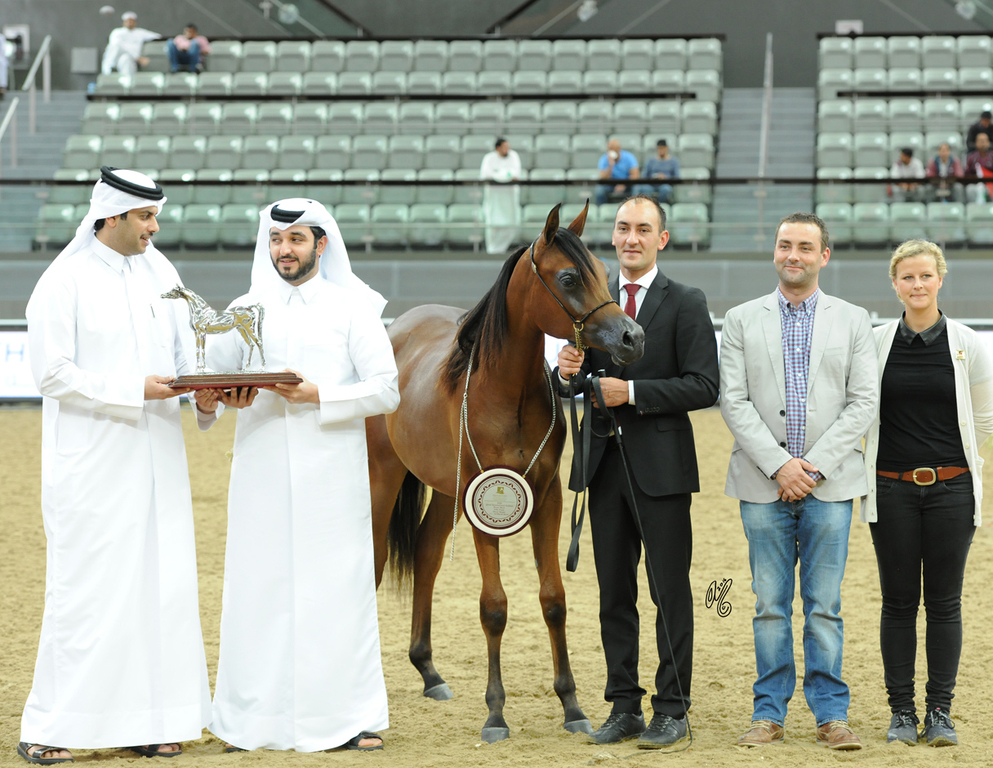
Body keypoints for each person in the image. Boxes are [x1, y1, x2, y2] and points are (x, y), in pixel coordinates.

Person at [19, 168, 212, 764]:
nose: (155, 228)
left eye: (156, 217)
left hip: (159, 458)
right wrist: (134, 389)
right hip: (93, 464)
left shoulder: (162, 273)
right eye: (146, 218)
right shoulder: (64, 281)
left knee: (159, 588)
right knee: (90, 591)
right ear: (111, 216)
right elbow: (49, 372)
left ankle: (150, 722)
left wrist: (203, 393)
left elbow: (185, 356)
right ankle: (49, 726)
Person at [199, 198, 400, 753]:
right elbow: (207, 390)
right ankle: (247, 720)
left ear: (321, 244)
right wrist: (220, 400)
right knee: (256, 589)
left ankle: (349, 718)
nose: (285, 250)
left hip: (332, 474)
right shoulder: (243, 308)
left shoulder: (354, 308)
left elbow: (387, 388)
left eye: (296, 240)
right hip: (259, 472)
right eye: (276, 240)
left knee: (336, 592)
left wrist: (319, 394)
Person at [556, 194, 719, 749]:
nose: (631, 238)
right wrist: (566, 374)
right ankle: (623, 706)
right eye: (623, 228)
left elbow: (704, 385)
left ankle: (673, 708)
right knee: (613, 594)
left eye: (643, 229)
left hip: (662, 468)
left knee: (668, 590)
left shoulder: (686, 301)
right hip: (602, 465)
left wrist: (635, 393)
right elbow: (581, 388)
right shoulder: (592, 303)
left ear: (661, 239)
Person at [719, 212, 877, 751]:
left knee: (824, 605)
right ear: (775, 252)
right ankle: (768, 715)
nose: (794, 255)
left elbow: (863, 403)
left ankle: (832, 716)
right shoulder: (741, 318)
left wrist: (810, 467)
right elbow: (732, 401)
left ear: (823, 256)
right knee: (768, 604)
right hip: (762, 485)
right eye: (785, 245)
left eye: (805, 247)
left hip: (829, 486)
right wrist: (779, 465)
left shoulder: (855, 320)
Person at [861, 240, 993, 747]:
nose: (917, 285)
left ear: (940, 280)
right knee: (897, 603)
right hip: (890, 491)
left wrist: (946, 468)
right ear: (895, 284)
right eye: (907, 278)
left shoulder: (967, 342)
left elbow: (983, 419)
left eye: (925, 276)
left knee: (943, 603)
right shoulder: (874, 342)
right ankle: (901, 713)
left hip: (951, 491)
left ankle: (940, 711)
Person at [479, 137, 522, 254]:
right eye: (504, 147)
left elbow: (516, 174)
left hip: (509, 197)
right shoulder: (489, 158)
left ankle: (500, 250)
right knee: (493, 225)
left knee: (511, 224)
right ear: (498, 148)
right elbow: (485, 175)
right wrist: (504, 175)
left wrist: (498, 174)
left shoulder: (514, 156)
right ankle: (492, 252)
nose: (507, 150)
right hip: (494, 197)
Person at [101, 11, 160, 77]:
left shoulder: (140, 32)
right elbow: (118, 45)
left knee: (125, 58)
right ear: (124, 22)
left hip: (130, 60)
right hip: (115, 60)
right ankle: (107, 73)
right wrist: (138, 58)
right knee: (114, 46)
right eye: (128, 21)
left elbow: (158, 37)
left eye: (132, 21)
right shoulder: (117, 32)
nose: (130, 22)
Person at [595, 139, 640, 206]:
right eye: (609, 149)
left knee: (637, 188)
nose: (610, 151)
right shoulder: (604, 159)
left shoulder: (629, 157)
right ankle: (602, 210)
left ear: (619, 149)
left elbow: (635, 175)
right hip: (610, 184)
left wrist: (623, 184)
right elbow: (602, 177)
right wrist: (610, 165)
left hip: (627, 183)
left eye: (612, 149)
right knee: (599, 190)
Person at [964, 133, 993, 203]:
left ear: (988, 143)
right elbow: (967, 174)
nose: (982, 143)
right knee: (970, 189)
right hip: (975, 184)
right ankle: (974, 210)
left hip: (991, 183)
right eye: (980, 141)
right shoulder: (971, 157)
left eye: (984, 141)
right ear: (976, 143)